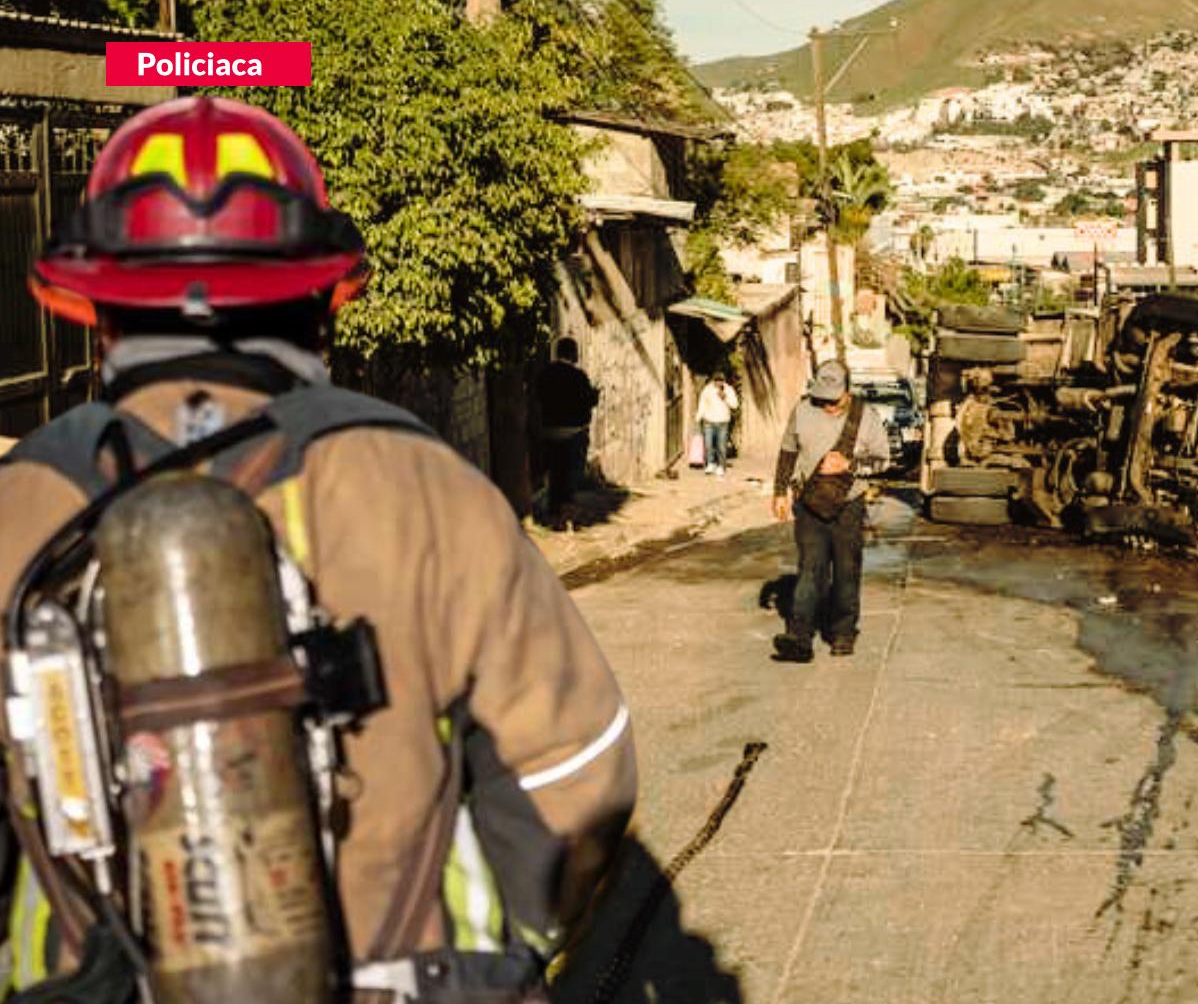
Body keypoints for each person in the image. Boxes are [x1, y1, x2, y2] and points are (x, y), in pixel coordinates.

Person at [0, 97, 635, 998]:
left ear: (94, 304)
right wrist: (501, 957)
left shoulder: (21, 500)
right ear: (321, 296)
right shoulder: (429, 486)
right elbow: (580, 772)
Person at [769, 360, 890, 662]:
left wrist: (850, 465)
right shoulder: (803, 410)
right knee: (811, 569)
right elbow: (787, 451)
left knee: (847, 571)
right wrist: (779, 491)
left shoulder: (866, 417)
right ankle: (799, 637)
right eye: (823, 399)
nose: (829, 406)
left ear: (848, 392)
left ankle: (844, 632)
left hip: (848, 506)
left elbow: (883, 461)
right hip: (808, 504)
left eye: (834, 400)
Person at [536, 336, 599, 512]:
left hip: (549, 431)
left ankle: (556, 505)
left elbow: (539, 398)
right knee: (571, 473)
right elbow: (588, 401)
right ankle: (567, 504)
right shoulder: (579, 376)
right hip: (574, 432)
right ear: (573, 354)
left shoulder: (544, 374)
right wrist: (595, 395)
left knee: (555, 471)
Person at [696, 374, 740, 477]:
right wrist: (698, 417)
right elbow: (702, 403)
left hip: (723, 421)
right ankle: (710, 463)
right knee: (708, 444)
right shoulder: (707, 390)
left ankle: (721, 466)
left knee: (721, 445)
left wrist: (725, 397)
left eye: (721, 380)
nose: (719, 382)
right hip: (709, 421)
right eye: (717, 380)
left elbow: (735, 405)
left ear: (724, 381)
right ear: (713, 380)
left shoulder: (728, 390)